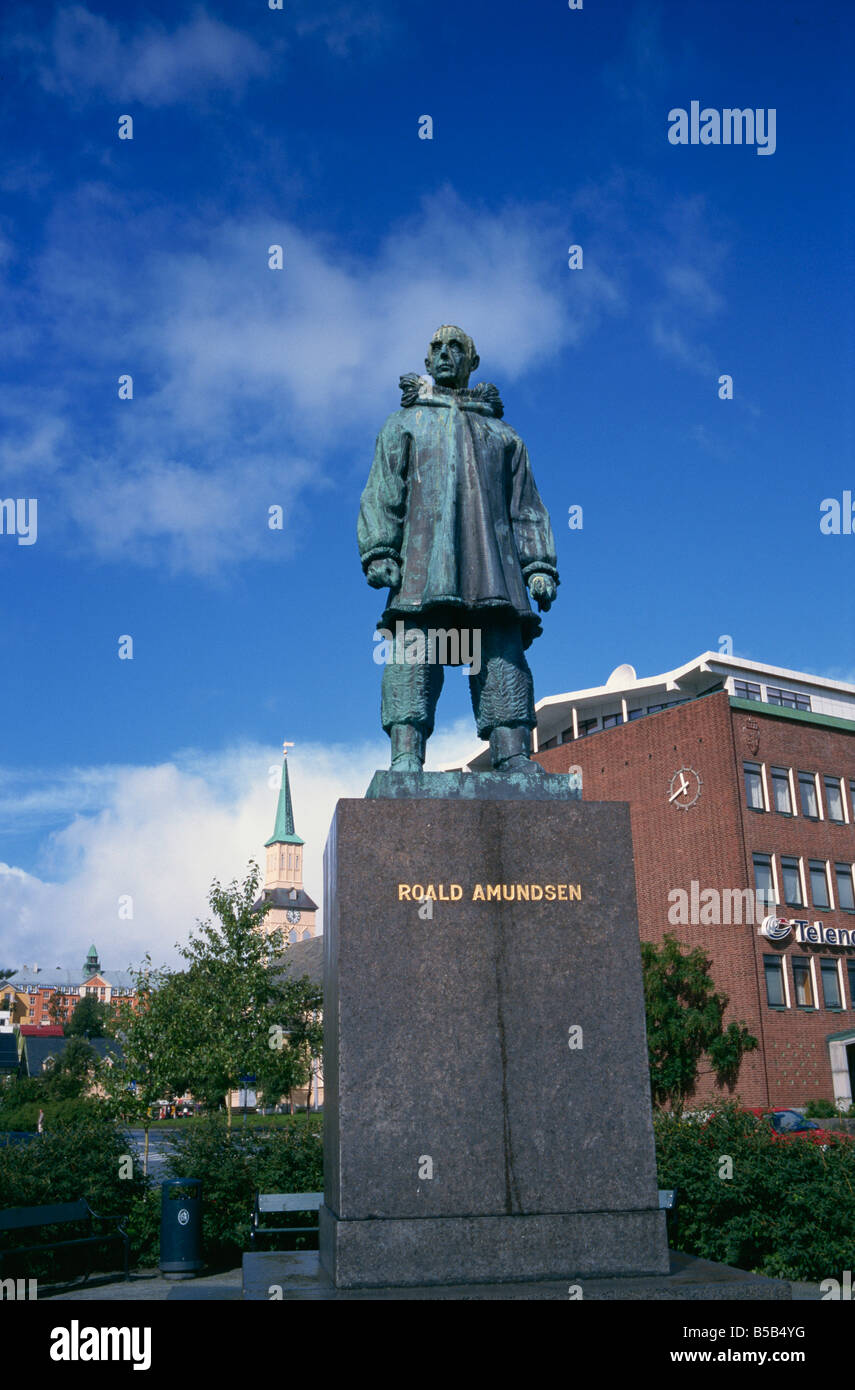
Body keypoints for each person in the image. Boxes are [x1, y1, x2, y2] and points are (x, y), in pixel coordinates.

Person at [358, 325, 559, 771]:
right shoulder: (404, 423)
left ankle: (512, 752)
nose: (446, 354)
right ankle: (406, 753)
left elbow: (525, 506)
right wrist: (380, 550)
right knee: (415, 650)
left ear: (472, 362)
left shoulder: (504, 436)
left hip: (492, 567)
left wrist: (538, 563)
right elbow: (383, 491)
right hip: (422, 567)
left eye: (457, 348)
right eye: (437, 348)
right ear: (428, 361)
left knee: (500, 650)